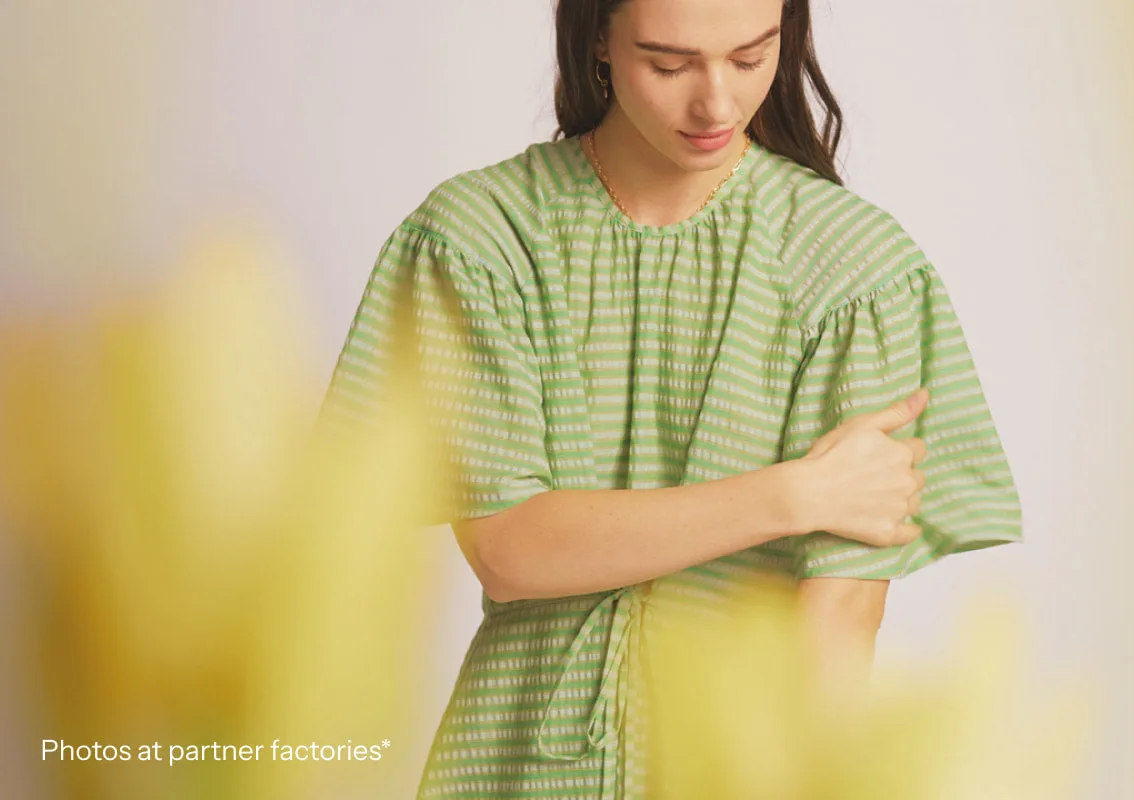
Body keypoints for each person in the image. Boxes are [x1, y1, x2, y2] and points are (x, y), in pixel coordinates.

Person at [321, 0, 1022, 796]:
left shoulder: (854, 269)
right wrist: (793, 495)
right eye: (669, 64)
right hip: (509, 770)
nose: (716, 103)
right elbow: (510, 550)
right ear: (598, 39)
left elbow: (839, 620)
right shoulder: (483, 240)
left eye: (751, 57)